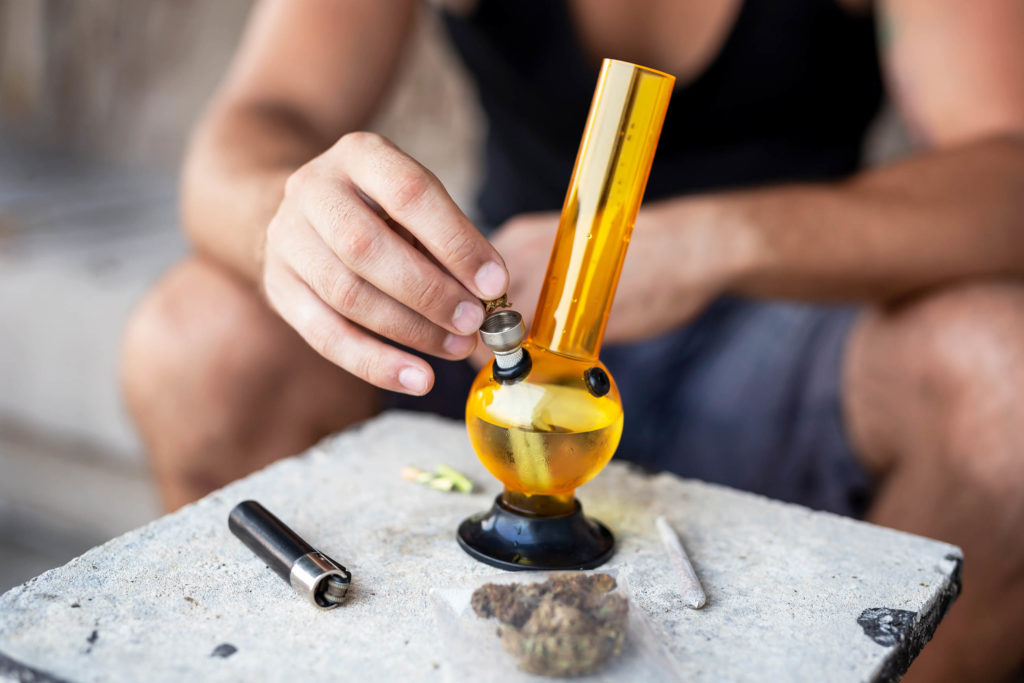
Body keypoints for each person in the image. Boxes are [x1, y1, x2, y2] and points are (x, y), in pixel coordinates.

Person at [121, 0, 1024, 679]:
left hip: (790, 332)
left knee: (1008, 378)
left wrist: (714, 241)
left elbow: (1008, 170)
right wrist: (292, 224)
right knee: (197, 339)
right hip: (496, 324)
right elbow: (256, 122)